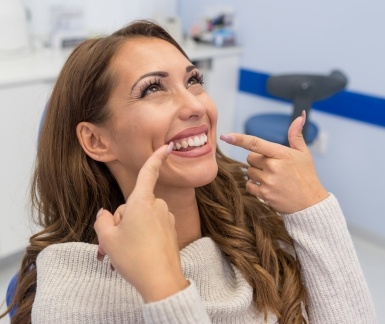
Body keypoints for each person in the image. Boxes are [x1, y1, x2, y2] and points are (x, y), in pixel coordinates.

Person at [0, 19, 377, 323]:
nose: (195, 106)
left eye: (193, 80)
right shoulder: (73, 295)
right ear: (97, 141)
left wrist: (313, 207)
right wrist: (164, 288)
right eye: (152, 90)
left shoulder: (256, 223)